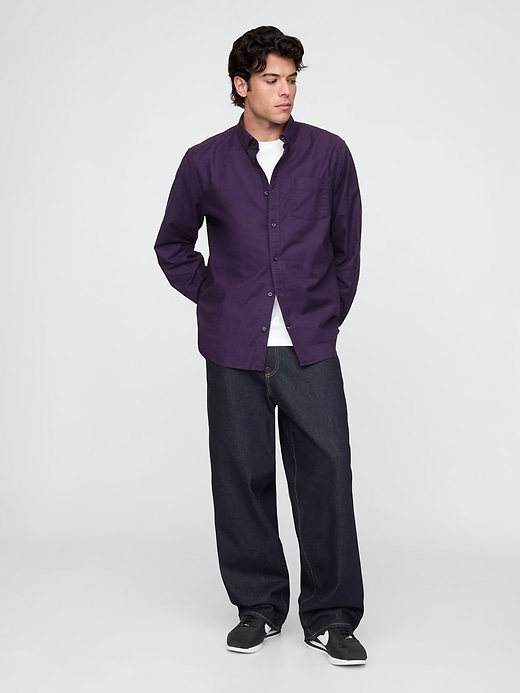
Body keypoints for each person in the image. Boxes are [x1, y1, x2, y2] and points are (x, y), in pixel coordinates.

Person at [154, 25, 367, 666]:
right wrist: (216, 298)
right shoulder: (205, 161)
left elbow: (347, 249)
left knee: (326, 476)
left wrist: (324, 316)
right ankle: (259, 608)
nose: (285, 91)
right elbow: (172, 243)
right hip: (233, 350)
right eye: (272, 79)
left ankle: (331, 617)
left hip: (307, 346)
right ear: (241, 85)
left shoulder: (329, 155)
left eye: (292, 78)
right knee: (241, 478)